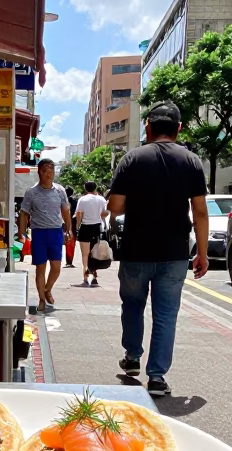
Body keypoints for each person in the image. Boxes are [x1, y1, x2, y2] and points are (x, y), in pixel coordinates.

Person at [107, 103, 209, 397]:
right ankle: (157, 377)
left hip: (136, 251)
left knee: (133, 306)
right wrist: (201, 253)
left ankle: (133, 357)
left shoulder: (132, 159)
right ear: (179, 129)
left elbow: (114, 206)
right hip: (175, 253)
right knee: (166, 314)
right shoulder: (191, 161)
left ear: (148, 126)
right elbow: (200, 212)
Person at [15, 158, 72, 314]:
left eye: (52, 170)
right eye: (46, 170)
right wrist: (21, 233)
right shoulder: (31, 192)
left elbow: (66, 211)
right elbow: (24, 213)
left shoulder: (60, 190)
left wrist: (69, 229)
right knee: (41, 268)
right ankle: (41, 299)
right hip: (39, 232)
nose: (50, 174)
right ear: (40, 172)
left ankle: (47, 289)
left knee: (56, 268)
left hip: (55, 232)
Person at [74, 181, 109, 286]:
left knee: (85, 255)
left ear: (85, 189)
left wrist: (77, 227)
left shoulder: (82, 199)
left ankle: (85, 278)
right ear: (95, 188)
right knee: (95, 254)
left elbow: (79, 214)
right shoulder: (101, 199)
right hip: (97, 227)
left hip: (85, 227)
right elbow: (105, 213)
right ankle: (94, 277)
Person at [64, 185, 78, 267]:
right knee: (71, 244)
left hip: (61, 224)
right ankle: (69, 260)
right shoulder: (75, 202)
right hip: (72, 224)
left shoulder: (60, 202)